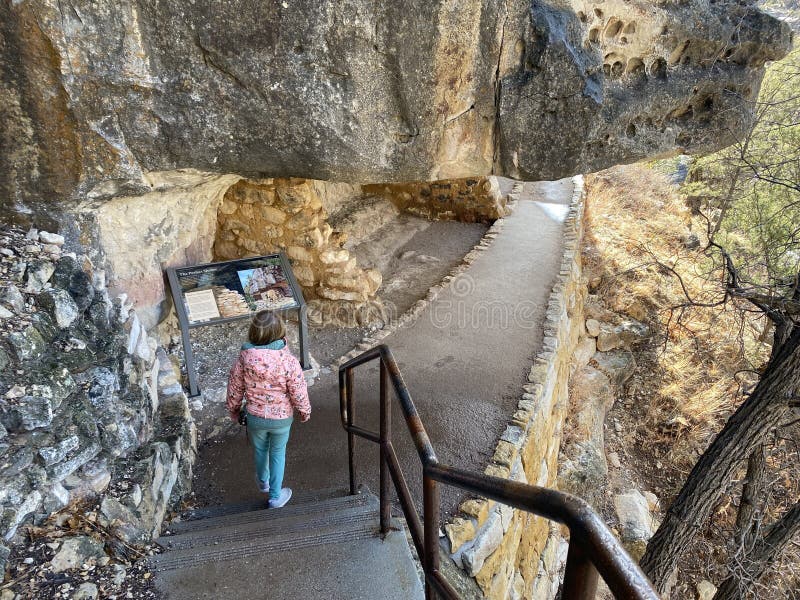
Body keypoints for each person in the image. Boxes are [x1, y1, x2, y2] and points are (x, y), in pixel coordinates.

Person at [226, 310, 311, 508]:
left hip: (255, 417)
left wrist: (234, 410)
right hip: (281, 419)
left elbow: (235, 388)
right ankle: (275, 496)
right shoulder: (288, 361)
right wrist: (304, 410)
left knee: (260, 449)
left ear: (253, 334)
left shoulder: (243, 360)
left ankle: (263, 481)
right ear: (281, 334)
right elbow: (298, 390)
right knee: (278, 452)